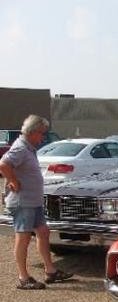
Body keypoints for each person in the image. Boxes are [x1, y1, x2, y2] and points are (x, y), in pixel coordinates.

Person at [0, 115, 73, 289]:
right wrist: (13, 181)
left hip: (33, 201)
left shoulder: (29, 148)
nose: (43, 138)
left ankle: (51, 271)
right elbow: (3, 164)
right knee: (23, 237)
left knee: (43, 232)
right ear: (32, 132)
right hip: (22, 201)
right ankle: (23, 278)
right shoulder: (20, 148)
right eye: (42, 134)